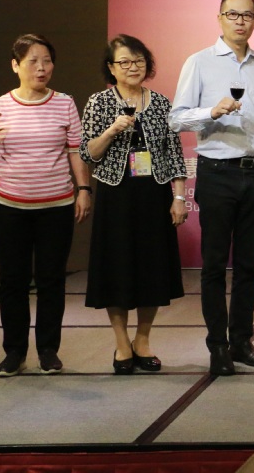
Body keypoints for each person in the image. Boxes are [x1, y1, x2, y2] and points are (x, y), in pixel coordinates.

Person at [0, 34, 91, 376]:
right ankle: (14, 351)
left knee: (51, 281)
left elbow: (75, 150)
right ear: (15, 66)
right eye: (33, 61)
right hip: (9, 207)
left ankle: (48, 350)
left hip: (56, 205)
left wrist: (83, 189)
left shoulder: (65, 103)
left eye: (47, 61)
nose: (42, 68)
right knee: (13, 281)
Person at [170, 0, 254, 376]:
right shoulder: (199, 62)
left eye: (247, 15)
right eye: (232, 14)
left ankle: (241, 342)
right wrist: (211, 112)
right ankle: (217, 345)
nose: (240, 21)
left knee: (249, 266)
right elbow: (176, 118)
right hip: (217, 172)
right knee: (215, 266)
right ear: (219, 18)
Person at [80, 34, 187, 374]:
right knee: (117, 269)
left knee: (151, 269)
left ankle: (143, 340)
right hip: (116, 194)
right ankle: (122, 343)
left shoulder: (161, 103)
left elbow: (175, 154)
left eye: (139, 61)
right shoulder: (99, 102)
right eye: (124, 62)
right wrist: (112, 130)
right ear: (111, 68)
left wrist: (179, 196)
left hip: (153, 194)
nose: (132, 67)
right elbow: (88, 153)